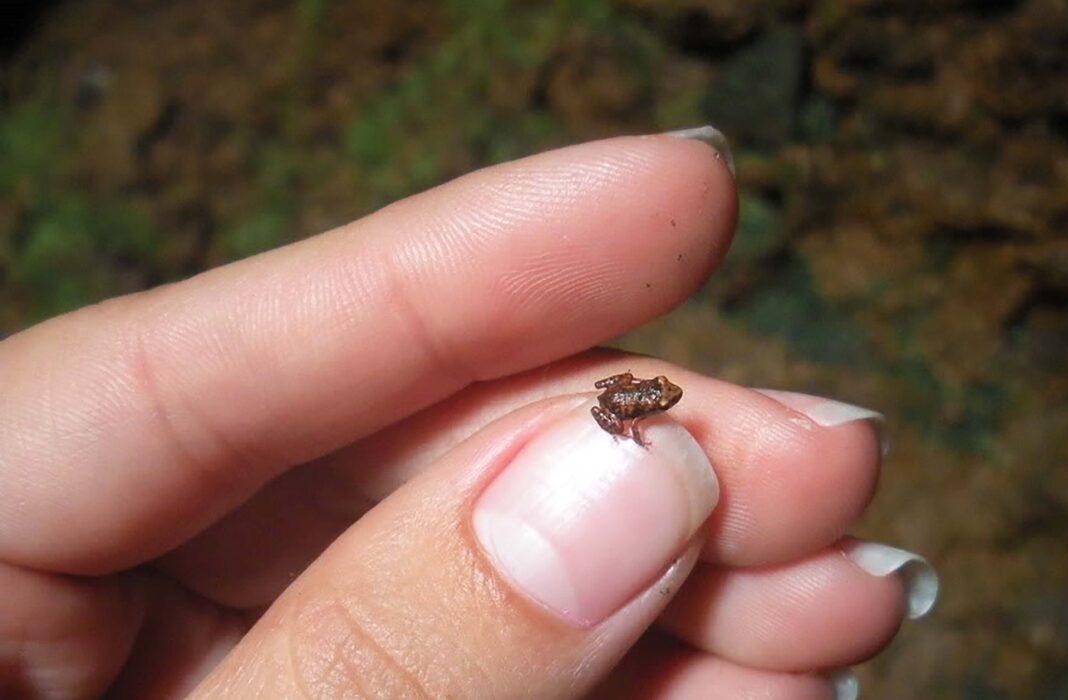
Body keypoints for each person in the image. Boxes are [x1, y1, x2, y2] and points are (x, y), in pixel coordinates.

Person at [0, 127, 936, 698]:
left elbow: (634, 401)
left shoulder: (650, 401)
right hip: (612, 424)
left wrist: (630, 421)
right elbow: (616, 406)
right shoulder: (634, 405)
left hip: (621, 416)